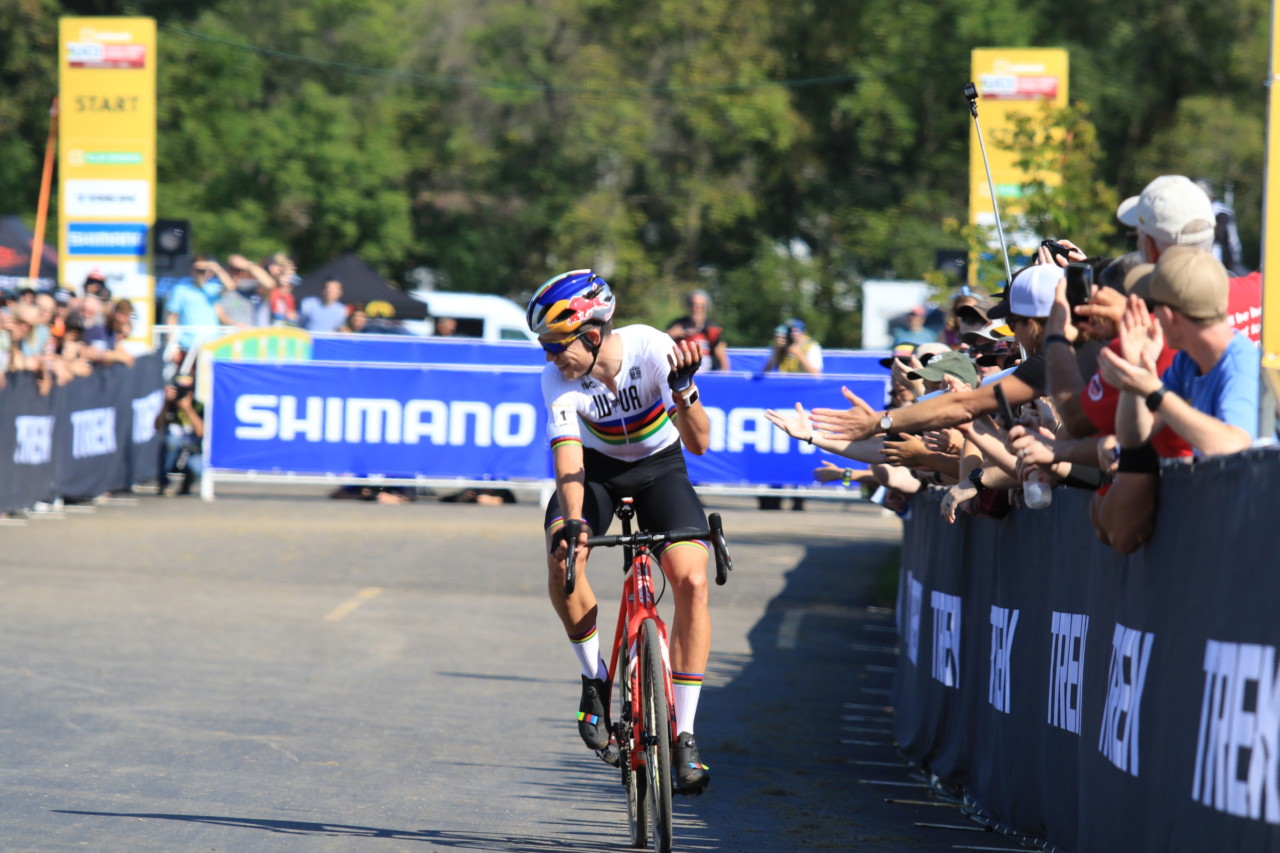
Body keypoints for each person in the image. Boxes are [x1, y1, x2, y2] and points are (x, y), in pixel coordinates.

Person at [527, 268, 714, 793]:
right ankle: (594, 679)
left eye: (555, 344)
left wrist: (683, 389)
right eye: (544, 346)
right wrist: (575, 522)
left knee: (692, 581)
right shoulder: (557, 381)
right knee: (564, 553)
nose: (549, 356)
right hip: (596, 473)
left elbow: (699, 444)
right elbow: (569, 462)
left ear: (591, 335)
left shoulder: (651, 347)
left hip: (661, 469)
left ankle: (685, 733)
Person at [1098, 246, 1259, 457]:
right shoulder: (1188, 360)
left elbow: (1234, 445)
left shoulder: (1241, 364)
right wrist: (1136, 369)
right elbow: (1133, 437)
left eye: (1152, 307)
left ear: (1168, 315)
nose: (1151, 316)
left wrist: (1155, 392)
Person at [666, 289, 730, 371]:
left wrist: (723, 378)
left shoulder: (711, 329)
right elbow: (659, 348)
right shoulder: (677, 324)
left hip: (705, 375)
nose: (696, 309)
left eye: (700, 306)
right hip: (680, 374)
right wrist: (669, 335)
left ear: (706, 308)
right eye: (693, 305)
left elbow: (722, 358)